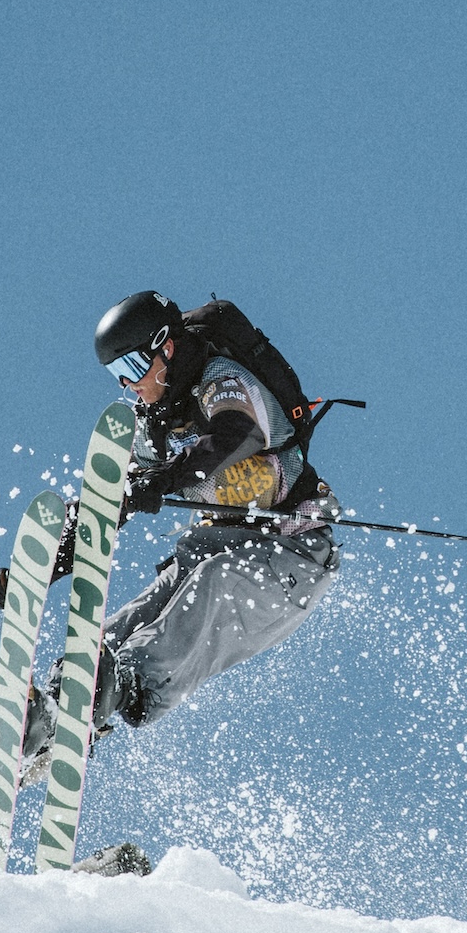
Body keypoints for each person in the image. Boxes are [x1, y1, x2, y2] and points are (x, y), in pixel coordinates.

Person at [88, 290, 342, 732]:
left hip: (293, 553)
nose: (129, 385)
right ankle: (77, 681)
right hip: (221, 543)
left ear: (165, 347)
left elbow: (237, 431)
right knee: (152, 601)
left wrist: (168, 477)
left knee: (212, 582)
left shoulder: (220, 378)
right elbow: (106, 507)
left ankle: (132, 679)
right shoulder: (155, 428)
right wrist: (33, 569)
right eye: (116, 375)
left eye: (132, 367)